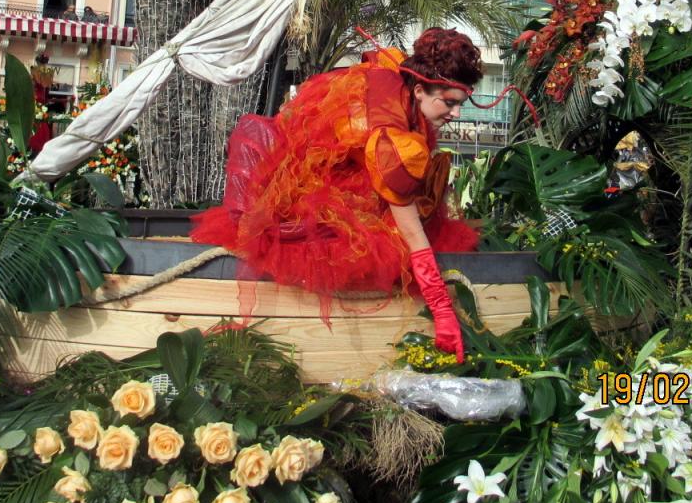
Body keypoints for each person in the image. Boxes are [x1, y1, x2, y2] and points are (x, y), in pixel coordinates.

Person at [191, 27, 482, 361]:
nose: (456, 113)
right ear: (418, 90)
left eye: (460, 104)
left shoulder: (395, 80)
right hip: (314, 191)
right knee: (378, 243)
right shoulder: (392, 140)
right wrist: (442, 310)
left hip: (347, 169)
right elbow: (413, 235)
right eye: (449, 102)